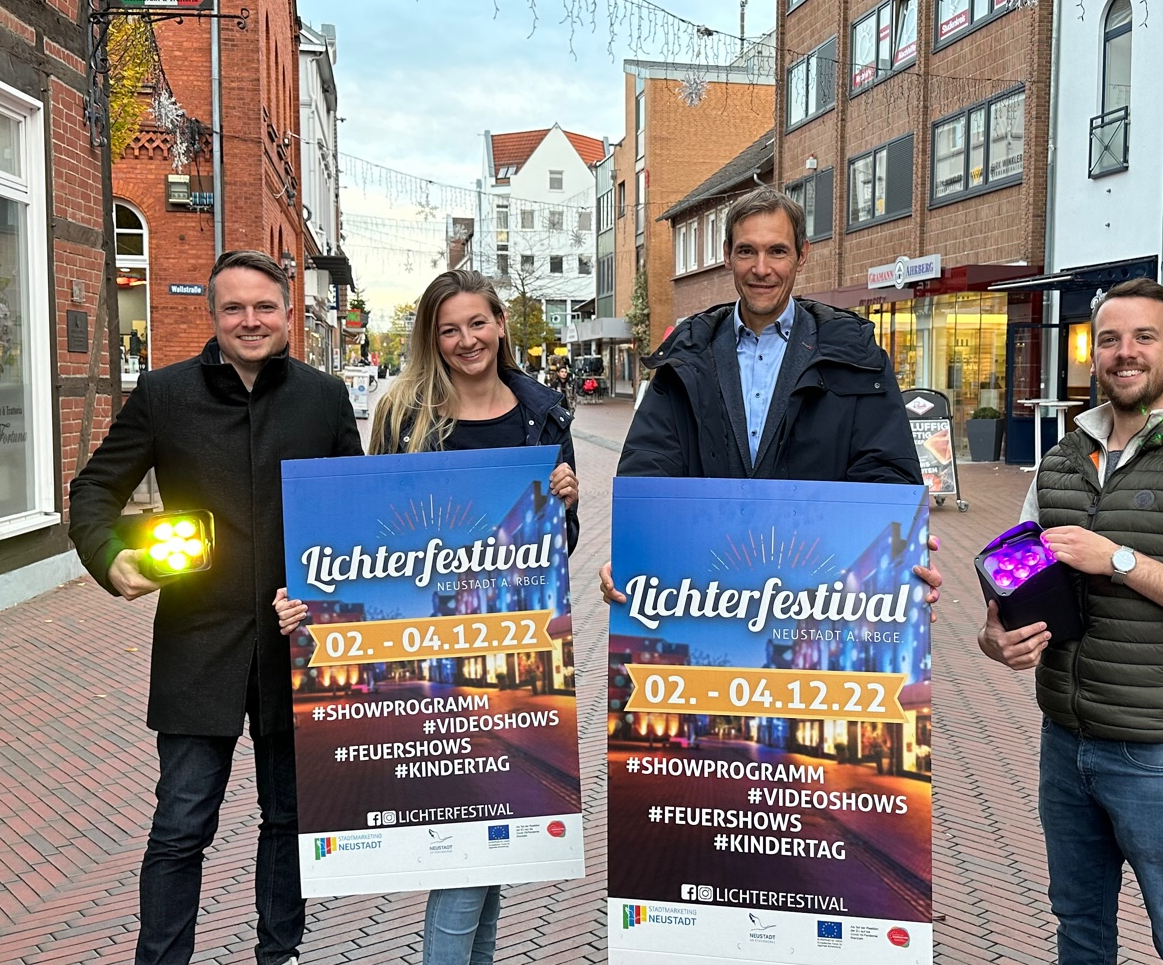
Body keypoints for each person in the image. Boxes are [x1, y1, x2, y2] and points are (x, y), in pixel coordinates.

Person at [976, 278, 1163, 965]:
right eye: (1110, 339)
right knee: (1079, 929)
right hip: (1065, 742)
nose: (1125, 352)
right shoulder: (1058, 461)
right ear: (1094, 356)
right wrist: (994, 637)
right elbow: (1015, 583)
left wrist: (1117, 558)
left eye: (1144, 337)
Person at [68, 250, 363, 965]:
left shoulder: (323, 398)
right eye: (234, 307)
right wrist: (112, 558)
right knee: (179, 824)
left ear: (288, 312)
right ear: (213, 316)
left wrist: (331, 596)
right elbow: (92, 493)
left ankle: (278, 952)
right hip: (198, 643)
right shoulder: (164, 394)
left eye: (264, 306)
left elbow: (356, 515)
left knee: (287, 818)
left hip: (297, 645)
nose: (250, 319)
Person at [276, 269, 579, 965]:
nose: (465, 339)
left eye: (477, 323)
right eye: (449, 328)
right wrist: (310, 595)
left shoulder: (542, 410)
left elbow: (554, 550)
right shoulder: (404, 411)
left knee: (496, 832)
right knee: (469, 838)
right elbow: (367, 527)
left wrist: (561, 502)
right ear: (431, 338)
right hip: (431, 649)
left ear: (500, 324)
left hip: (508, 643)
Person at [600, 185, 940, 601]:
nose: (762, 268)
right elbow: (649, 472)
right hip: (707, 593)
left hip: (819, 594)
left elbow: (886, 475)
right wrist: (634, 555)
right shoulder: (684, 359)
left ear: (802, 255)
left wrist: (901, 563)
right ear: (727, 255)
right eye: (747, 251)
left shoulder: (855, 356)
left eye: (777, 251)